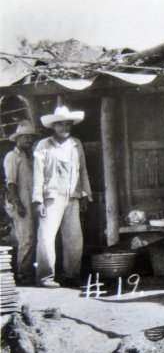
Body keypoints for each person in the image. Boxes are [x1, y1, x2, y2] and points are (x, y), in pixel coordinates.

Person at [32, 106, 92, 288]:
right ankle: (45, 277)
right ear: (54, 126)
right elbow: (38, 173)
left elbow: (82, 171)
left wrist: (84, 195)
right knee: (46, 237)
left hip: (72, 197)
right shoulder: (43, 145)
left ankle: (72, 275)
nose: (65, 128)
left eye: (68, 125)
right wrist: (38, 199)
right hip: (51, 197)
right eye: (61, 125)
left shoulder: (76, 144)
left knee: (74, 238)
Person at [3, 120, 39, 285]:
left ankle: (30, 272)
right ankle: (23, 275)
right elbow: (11, 182)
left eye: (31, 138)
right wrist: (17, 203)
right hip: (21, 200)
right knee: (26, 238)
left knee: (33, 238)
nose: (29, 141)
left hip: (31, 200)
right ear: (17, 139)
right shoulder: (12, 157)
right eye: (25, 138)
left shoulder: (29, 157)